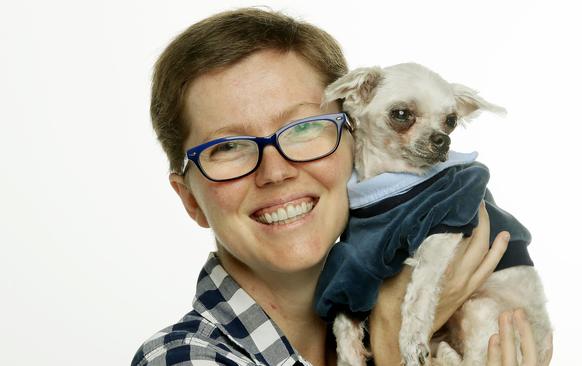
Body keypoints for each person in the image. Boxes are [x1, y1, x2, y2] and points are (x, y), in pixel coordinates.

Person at [131, 8, 552, 366]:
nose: (275, 171)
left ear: (353, 138)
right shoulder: (184, 357)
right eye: (228, 147)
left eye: (304, 128)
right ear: (190, 199)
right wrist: (389, 344)